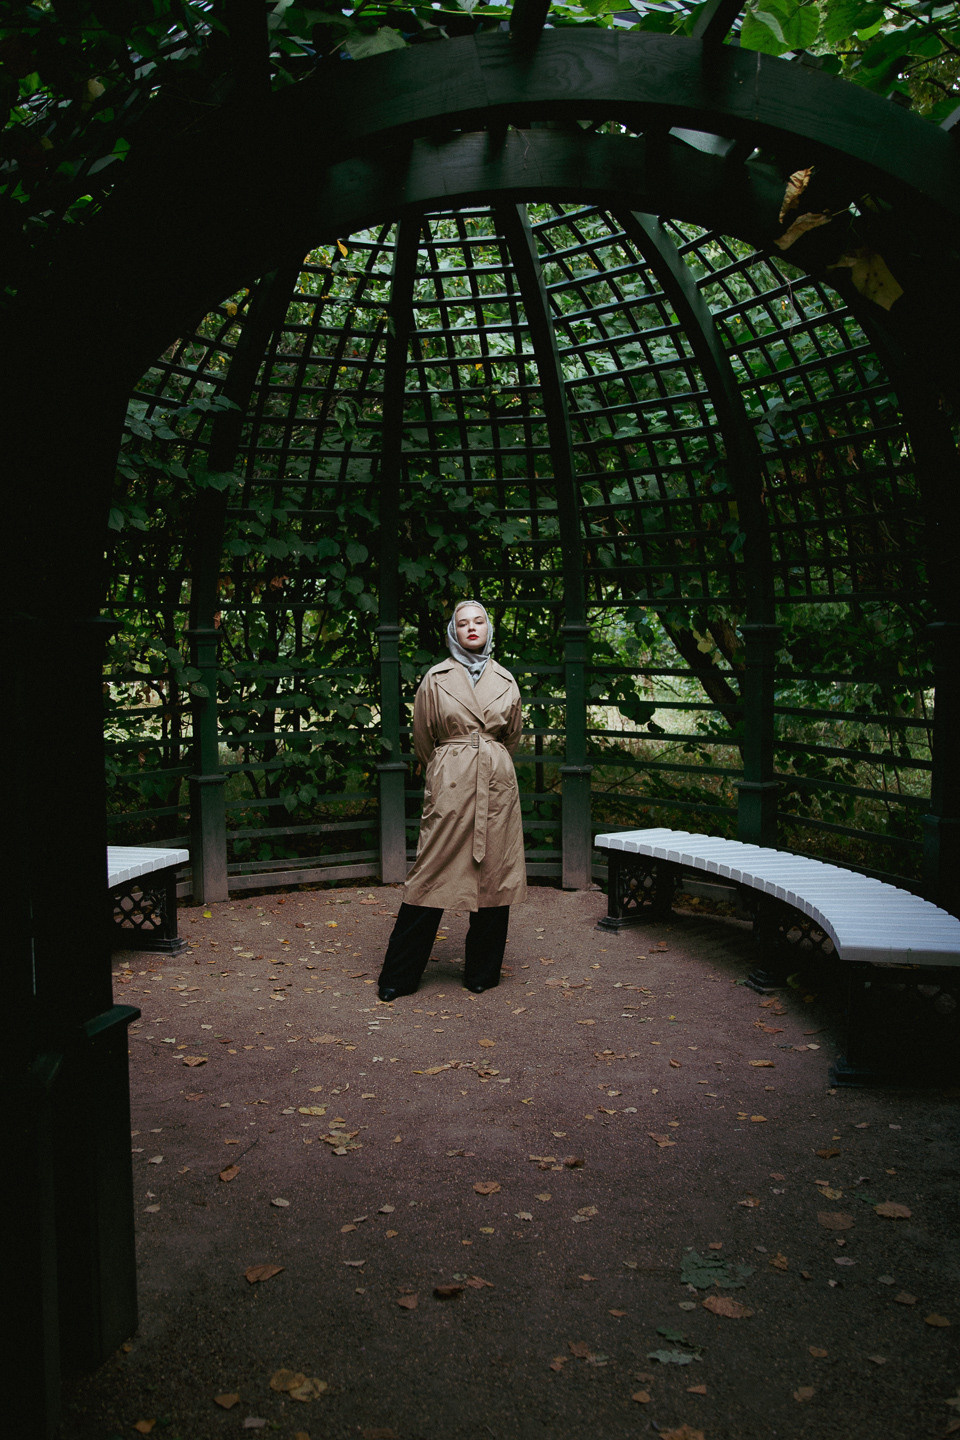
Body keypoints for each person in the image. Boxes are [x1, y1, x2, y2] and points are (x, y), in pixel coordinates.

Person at [377, 600, 526, 1000]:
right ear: (453, 632)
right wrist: (450, 767)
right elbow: (424, 738)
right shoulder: (435, 678)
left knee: (494, 875)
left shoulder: (506, 679)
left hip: (496, 784)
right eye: (463, 623)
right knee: (430, 873)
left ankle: (482, 973)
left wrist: (487, 759)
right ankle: (399, 976)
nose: (472, 628)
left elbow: (511, 736)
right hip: (452, 782)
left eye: (479, 621)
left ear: (489, 629)